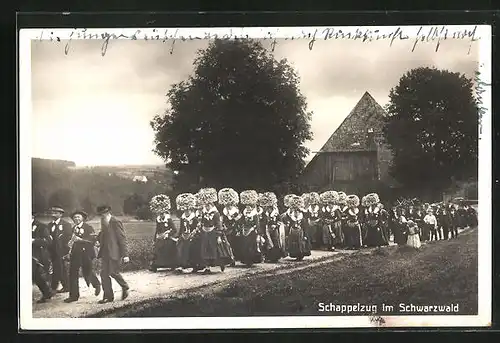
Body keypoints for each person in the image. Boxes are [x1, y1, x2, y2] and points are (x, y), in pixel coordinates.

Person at [63, 210, 101, 303]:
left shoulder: (88, 227)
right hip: (75, 254)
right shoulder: (73, 228)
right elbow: (72, 241)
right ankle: (73, 296)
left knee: (87, 272)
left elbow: (92, 240)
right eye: (75, 217)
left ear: (83, 218)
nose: (76, 219)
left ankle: (96, 284)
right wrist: (69, 244)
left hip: (86, 253)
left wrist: (81, 240)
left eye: (78, 217)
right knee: (72, 274)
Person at [95, 205, 130, 303]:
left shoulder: (115, 222)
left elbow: (122, 239)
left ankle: (125, 286)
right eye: (101, 214)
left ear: (108, 212)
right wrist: (97, 239)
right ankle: (108, 297)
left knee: (113, 272)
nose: (102, 216)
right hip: (105, 252)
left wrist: (125, 255)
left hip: (115, 252)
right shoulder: (103, 221)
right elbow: (102, 233)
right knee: (104, 274)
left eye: (103, 214)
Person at [198, 188, 229, 274]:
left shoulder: (216, 213)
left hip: (213, 233)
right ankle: (207, 267)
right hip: (205, 233)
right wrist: (200, 227)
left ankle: (221, 264)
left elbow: (219, 225)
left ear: (211, 205)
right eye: (206, 205)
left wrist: (219, 236)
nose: (207, 207)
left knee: (215, 250)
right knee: (205, 249)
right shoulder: (204, 213)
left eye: (208, 205)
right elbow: (202, 222)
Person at [46, 206, 73, 293]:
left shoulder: (66, 224)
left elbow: (68, 237)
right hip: (52, 250)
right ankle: (65, 286)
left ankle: (54, 287)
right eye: (52, 213)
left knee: (59, 267)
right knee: (58, 267)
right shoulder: (50, 225)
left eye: (56, 213)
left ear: (60, 214)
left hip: (62, 250)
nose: (53, 214)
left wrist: (65, 249)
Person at [149, 194, 178, 272]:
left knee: (167, 245)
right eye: (159, 213)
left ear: (165, 212)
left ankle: (170, 264)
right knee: (157, 246)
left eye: (162, 213)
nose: (161, 215)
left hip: (168, 237)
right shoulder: (158, 219)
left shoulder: (169, 219)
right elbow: (157, 230)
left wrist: (168, 234)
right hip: (161, 237)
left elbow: (174, 229)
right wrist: (155, 239)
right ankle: (155, 265)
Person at [238, 190, 264, 266]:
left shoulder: (255, 215)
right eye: (247, 207)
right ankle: (246, 260)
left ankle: (251, 261)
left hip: (252, 231)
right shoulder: (244, 213)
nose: (248, 208)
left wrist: (259, 233)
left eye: (249, 207)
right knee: (245, 246)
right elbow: (241, 221)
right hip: (245, 231)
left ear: (252, 207)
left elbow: (257, 224)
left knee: (251, 246)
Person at [32, 212, 54, 303]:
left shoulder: (41, 226)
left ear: (32, 216)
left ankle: (47, 292)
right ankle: (47, 292)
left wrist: (34, 241)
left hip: (36, 254)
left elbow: (48, 242)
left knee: (35, 274)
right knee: (35, 275)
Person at [282, 195, 311, 260]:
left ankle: (300, 255)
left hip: (301, 233)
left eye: (297, 212)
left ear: (299, 212)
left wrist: (305, 235)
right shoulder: (291, 218)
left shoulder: (302, 219)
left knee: (301, 244)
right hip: (293, 234)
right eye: (295, 211)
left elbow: (305, 227)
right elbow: (288, 225)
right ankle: (295, 254)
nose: (296, 213)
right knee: (294, 244)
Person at [175, 193, 198, 273]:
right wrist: (179, 236)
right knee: (180, 247)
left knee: (190, 247)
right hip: (184, 235)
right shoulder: (183, 217)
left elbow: (196, 228)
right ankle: (181, 265)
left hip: (192, 235)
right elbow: (181, 228)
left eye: (188, 210)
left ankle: (192, 265)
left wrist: (192, 234)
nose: (186, 212)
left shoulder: (194, 218)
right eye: (185, 210)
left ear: (191, 209)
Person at [260, 192, 286, 262]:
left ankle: (275, 257)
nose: (267, 209)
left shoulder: (276, 213)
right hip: (267, 230)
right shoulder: (264, 214)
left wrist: (276, 225)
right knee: (267, 242)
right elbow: (262, 221)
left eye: (269, 208)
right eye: (266, 208)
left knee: (275, 242)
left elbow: (280, 221)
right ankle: (268, 257)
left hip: (275, 230)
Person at [219, 188, 242, 267]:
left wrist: (233, 223)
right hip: (226, 229)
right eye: (226, 204)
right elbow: (222, 219)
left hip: (234, 229)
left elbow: (238, 220)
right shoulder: (224, 211)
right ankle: (229, 258)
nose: (227, 206)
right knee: (227, 244)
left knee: (233, 243)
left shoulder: (236, 210)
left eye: (228, 204)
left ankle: (234, 258)